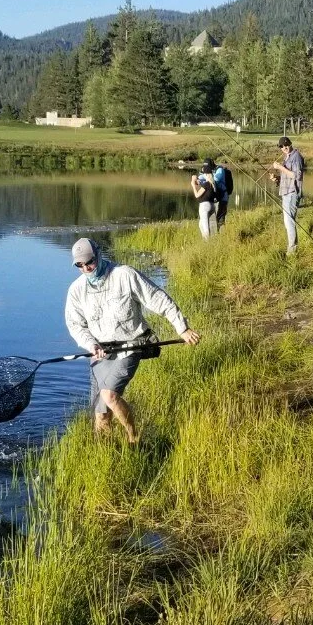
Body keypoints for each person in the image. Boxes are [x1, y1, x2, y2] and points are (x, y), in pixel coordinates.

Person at [64, 237, 201, 442]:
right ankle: (106, 452)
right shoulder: (76, 290)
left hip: (130, 346)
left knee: (109, 395)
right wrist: (91, 344)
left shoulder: (125, 274)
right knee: (101, 414)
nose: (86, 267)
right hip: (100, 354)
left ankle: (134, 439)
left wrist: (182, 328)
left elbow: (157, 298)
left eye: (89, 262)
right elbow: (75, 325)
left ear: (99, 255)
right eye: (80, 265)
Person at [269, 136, 306, 252]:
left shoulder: (296, 157)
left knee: (289, 222)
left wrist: (280, 167)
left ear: (290, 144)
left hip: (292, 193)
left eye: (286, 145)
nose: (284, 148)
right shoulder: (287, 158)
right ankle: (293, 248)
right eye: (281, 146)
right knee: (287, 222)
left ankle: (292, 251)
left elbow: (296, 176)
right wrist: (277, 179)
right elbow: (288, 175)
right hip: (286, 192)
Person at [189, 168, 218, 239]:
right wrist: (197, 182)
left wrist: (193, 185)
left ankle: (207, 243)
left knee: (205, 228)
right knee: (201, 225)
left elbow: (197, 195)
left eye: (204, 174)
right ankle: (206, 241)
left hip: (204, 206)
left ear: (206, 175)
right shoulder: (213, 185)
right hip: (211, 206)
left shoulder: (206, 184)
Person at [211, 158, 234, 229]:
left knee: (220, 217)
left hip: (223, 197)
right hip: (221, 197)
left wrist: (208, 177)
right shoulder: (215, 170)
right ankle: (218, 234)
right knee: (218, 217)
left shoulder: (219, 170)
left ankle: (222, 235)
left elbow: (216, 180)